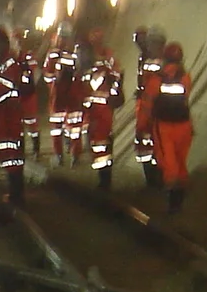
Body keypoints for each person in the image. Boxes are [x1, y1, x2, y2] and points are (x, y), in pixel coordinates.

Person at [0, 25, 33, 206]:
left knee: (13, 153)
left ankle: (17, 194)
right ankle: (14, 192)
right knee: (8, 153)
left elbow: (7, 87)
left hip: (9, 114)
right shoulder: (1, 64)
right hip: (3, 114)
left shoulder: (10, 64)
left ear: (3, 43)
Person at [150, 39, 194, 213]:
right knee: (180, 161)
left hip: (164, 126)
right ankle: (180, 199)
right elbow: (185, 98)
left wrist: (142, 126)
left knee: (168, 162)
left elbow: (148, 103)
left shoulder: (157, 79)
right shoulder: (185, 77)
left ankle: (173, 201)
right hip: (184, 125)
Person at [81, 28, 123, 190]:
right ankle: (103, 177)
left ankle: (105, 180)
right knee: (97, 142)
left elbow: (116, 78)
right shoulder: (89, 59)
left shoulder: (106, 57)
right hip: (93, 108)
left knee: (101, 142)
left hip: (102, 108)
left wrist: (112, 95)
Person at [42, 23, 83, 167]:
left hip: (65, 95)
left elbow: (47, 75)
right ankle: (68, 155)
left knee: (69, 128)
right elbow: (48, 75)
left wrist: (54, 84)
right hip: (63, 95)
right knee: (65, 128)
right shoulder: (69, 54)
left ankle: (68, 155)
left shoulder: (63, 54)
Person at [133, 26, 167, 189]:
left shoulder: (160, 62)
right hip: (148, 107)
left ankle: (156, 178)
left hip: (154, 108)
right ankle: (152, 178)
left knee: (153, 142)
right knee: (146, 142)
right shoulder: (146, 60)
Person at [16, 29, 43, 159]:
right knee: (18, 123)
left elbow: (36, 73)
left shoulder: (29, 56)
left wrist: (31, 86)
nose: (18, 43)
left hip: (28, 94)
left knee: (32, 122)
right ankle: (20, 149)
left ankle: (36, 149)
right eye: (16, 40)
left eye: (19, 40)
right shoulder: (13, 57)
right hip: (17, 94)